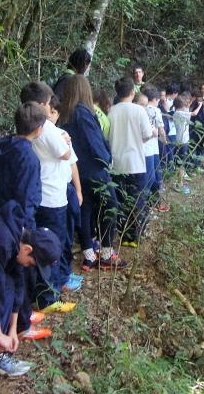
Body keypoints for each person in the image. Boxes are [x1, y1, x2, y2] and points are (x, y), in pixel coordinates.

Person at [0, 201, 61, 376]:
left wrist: (12, 329)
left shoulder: (19, 237)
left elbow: (18, 283)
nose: (30, 266)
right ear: (28, 249)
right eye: (32, 262)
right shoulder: (2, 240)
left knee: (9, 288)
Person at [20, 82, 82, 314]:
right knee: (50, 247)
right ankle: (48, 296)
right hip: (51, 197)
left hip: (40, 194)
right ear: (41, 104)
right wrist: (66, 139)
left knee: (44, 244)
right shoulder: (46, 128)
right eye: (47, 103)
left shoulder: (28, 125)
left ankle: (45, 291)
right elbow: (65, 153)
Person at [59, 75, 127, 270]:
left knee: (86, 209)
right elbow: (94, 142)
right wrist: (106, 159)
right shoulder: (82, 112)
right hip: (94, 170)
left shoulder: (65, 114)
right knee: (110, 206)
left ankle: (89, 253)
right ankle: (106, 252)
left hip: (77, 171)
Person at [108, 77, 157, 247]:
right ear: (132, 92)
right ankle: (136, 235)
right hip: (136, 162)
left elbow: (106, 137)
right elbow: (147, 135)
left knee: (121, 199)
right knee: (138, 199)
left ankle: (123, 234)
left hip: (116, 164)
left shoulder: (111, 111)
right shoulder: (138, 111)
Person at [142, 85, 169, 213]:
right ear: (155, 99)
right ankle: (153, 204)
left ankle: (148, 203)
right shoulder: (155, 110)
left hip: (142, 148)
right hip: (152, 148)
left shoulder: (140, 108)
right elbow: (161, 129)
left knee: (147, 176)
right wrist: (165, 140)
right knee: (154, 176)